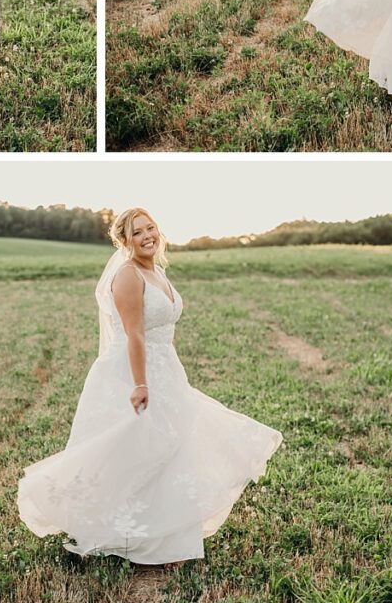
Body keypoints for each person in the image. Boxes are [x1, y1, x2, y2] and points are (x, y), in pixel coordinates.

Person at [17, 208, 282, 564]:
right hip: (131, 373)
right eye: (137, 232)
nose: (147, 235)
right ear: (124, 241)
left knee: (170, 446)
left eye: (151, 228)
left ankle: (163, 536)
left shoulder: (156, 270)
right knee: (131, 449)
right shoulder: (127, 275)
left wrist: (166, 370)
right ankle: (112, 528)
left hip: (165, 368)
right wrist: (141, 383)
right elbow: (134, 334)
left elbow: (161, 331)